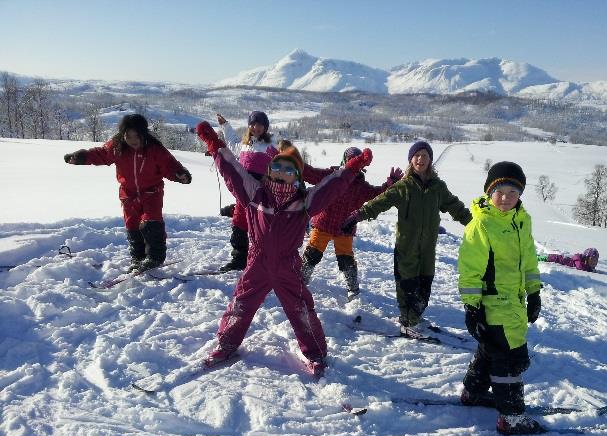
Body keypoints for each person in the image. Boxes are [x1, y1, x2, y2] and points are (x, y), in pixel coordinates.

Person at [194, 121, 373, 377]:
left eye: (288, 169)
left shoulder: (304, 202)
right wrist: (214, 142)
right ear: (269, 171)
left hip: (288, 266)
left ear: (297, 176)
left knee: (301, 309)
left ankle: (316, 354)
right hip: (257, 263)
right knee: (241, 304)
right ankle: (226, 344)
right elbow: (232, 169)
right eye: (276, 166)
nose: (281, 171)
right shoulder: (256, 194)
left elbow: (331, 186)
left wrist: (352, 168)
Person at [341, 141, 471, 336]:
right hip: (406, 247)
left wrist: (474, 225)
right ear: (411, 160)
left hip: (427, 248)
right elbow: (380, 202)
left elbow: (456, 207)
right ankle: (408, 321)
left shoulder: (438, 187)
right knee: (407, 285)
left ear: (430, 160)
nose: (420, 159)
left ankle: (415, 316)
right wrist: (358, 215)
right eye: (416, 156)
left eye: (425, 156)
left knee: (424, 286)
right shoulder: (403, 187)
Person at [457, 161, 544, 436]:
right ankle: (511, 416)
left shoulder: (521, 220)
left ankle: (473, 391)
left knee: (490, 350)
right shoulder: (482, 224)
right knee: (509, 358)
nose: (505, 198)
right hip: (492, 305)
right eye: (499, 191)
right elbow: (470, 270)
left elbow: (529, 259)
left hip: (515, 302)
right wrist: (472, 308)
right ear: (488, 191)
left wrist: (534, 292)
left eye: (512, 192)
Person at [63, 113, 191, 272]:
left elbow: (169, 165)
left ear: (143, 134)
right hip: (128, 193)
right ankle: (138, 257)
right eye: (128, 136)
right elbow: (100, 154)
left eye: (136, 136)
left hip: (152, 192)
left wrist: (180, 175)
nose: (133, 140)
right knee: (132, 224)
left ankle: (155, 256)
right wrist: (80, 157)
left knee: (151, 222)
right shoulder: (117, 147)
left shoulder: (154, 149)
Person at [300, 146, 402, 300]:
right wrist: (293, 163)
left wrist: (389, 184)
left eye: (358, 161)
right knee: (312, 252)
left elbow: (377, 194)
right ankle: (301, 279)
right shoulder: (332, 175)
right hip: (323, 224)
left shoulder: (361, 186)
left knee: (346, 258)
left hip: (345, 227)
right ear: (345, 161)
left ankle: (352, 288)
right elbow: (311, 173)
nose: (354, 164)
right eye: (351, 160)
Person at [216, 111, 278, 272]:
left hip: (260, 192)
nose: (256, 127)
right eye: (253, 124)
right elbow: (231, 140)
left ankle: (265, 260)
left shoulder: (270, 145)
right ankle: (239, 259)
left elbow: (279, 164)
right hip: (242, 191)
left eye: (260, 125)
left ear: (265, 127)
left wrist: (270, 178)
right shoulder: (243, 144)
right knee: (239, 224)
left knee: (261, 227)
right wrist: (225, 125)